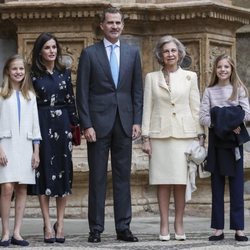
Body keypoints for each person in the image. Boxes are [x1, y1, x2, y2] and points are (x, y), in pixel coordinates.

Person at [76, 7, 143, 243]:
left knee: (123, 176)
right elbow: (81, 93)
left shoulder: (133, 53)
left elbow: (137, 90)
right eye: (110, 23)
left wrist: (137, 120)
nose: (114, 26)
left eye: (118, 23)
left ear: (122, 26)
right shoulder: (89, 53)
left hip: (125, 123)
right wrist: (86, 124)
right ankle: (96, 228)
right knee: (97, 178)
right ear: (102, 26)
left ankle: (123, 227)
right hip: (97, 124)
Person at [141, 35, 204, 241]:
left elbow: (196, 108)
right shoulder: (151, 78)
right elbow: (147, 108)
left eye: (173, 51)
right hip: (160, 135)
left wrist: (200, 136)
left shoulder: (190, 77)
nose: (170, 54)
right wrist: (146, 137)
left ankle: (179, 223)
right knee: (162, 181)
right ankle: (163, 224)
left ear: (179, 54)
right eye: (166, 51)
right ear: (160, 54)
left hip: (184, 135)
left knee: (180, 182)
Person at [28, 32, 79, 244]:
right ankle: (47, 224)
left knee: (63, 172)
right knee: (44, 174)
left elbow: (70, 100)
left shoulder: (64, 73)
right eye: (47, 47)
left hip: (62, 124)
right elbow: (29, 103)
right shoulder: (32, 75)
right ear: (40, 50)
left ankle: (61, 223)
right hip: (41, 123)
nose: (51, 51)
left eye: (54, 47)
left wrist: (75, 126)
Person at [200, 54, 250, 242]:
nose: (222, 70)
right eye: (219, 67)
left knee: (236, 185)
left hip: (234, 142)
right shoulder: (209, 91)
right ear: (215, 69)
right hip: (217, 142)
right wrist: (225, 120)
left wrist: (225, 118)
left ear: (231, 69)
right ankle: (218, 229)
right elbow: (203, 116)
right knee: (217, 185)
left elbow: (246, 113)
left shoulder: (238, 89)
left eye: (226, 67)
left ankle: (239, 228)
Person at [0, 54, 41, 247]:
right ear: (8, 71)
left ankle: (17, 232)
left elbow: (35, 126)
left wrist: (36, 151)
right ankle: (5, 231)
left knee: (22, 187)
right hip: (6, 145)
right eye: (14, 69)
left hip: (25, 146)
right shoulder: (1, 94)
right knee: (7, 187)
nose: (18, 72)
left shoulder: (30, 96)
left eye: (21, 69)